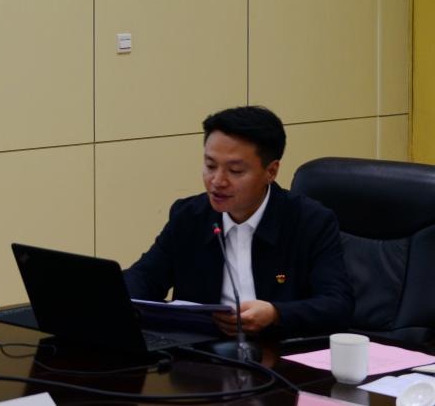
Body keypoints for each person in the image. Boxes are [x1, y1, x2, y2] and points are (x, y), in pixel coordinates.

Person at [123, 105, 353, 337]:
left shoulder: (310, 221)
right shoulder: (189, 216)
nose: (217, 181)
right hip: (202, 350)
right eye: (210, 166)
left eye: (235, 171)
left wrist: (276, 314)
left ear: (271, 171)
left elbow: (337, 305)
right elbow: (143, 279)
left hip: (281, 350)